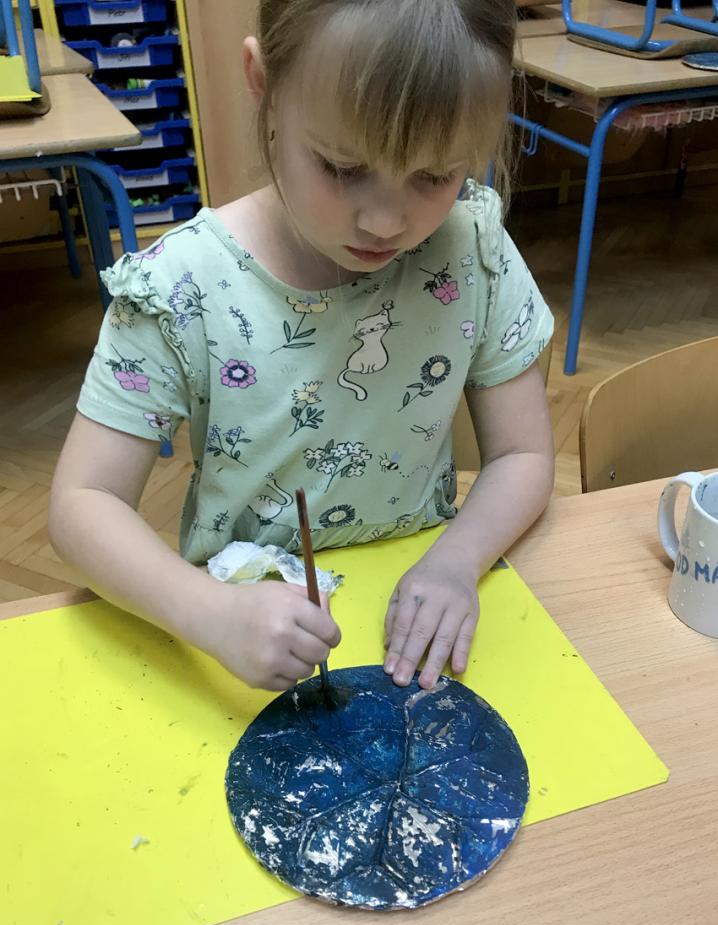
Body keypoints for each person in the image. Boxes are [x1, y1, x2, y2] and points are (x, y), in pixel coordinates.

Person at [49, 0, 555, 694]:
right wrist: (210, 613)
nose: (385, 221)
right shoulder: (181, 287)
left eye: (436, 175)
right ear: (265, 85)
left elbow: (524, 455)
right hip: (240, 636)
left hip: (417, 601)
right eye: (343, 167)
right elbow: (82, 503)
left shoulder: (472, 248)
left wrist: (456, 563)